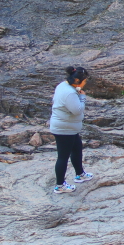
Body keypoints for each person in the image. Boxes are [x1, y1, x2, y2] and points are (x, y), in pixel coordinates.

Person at [50, 66, 94, 194]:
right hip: (64, 129)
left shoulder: (63, 85)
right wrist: (82, 97)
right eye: (84, 80)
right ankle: (59, 185)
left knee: (77, 149)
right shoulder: (69, 93)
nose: (85, 82)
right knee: (63, 157)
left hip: (69, 128)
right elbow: (77, 110)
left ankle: (80, 174)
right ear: (77, 81)